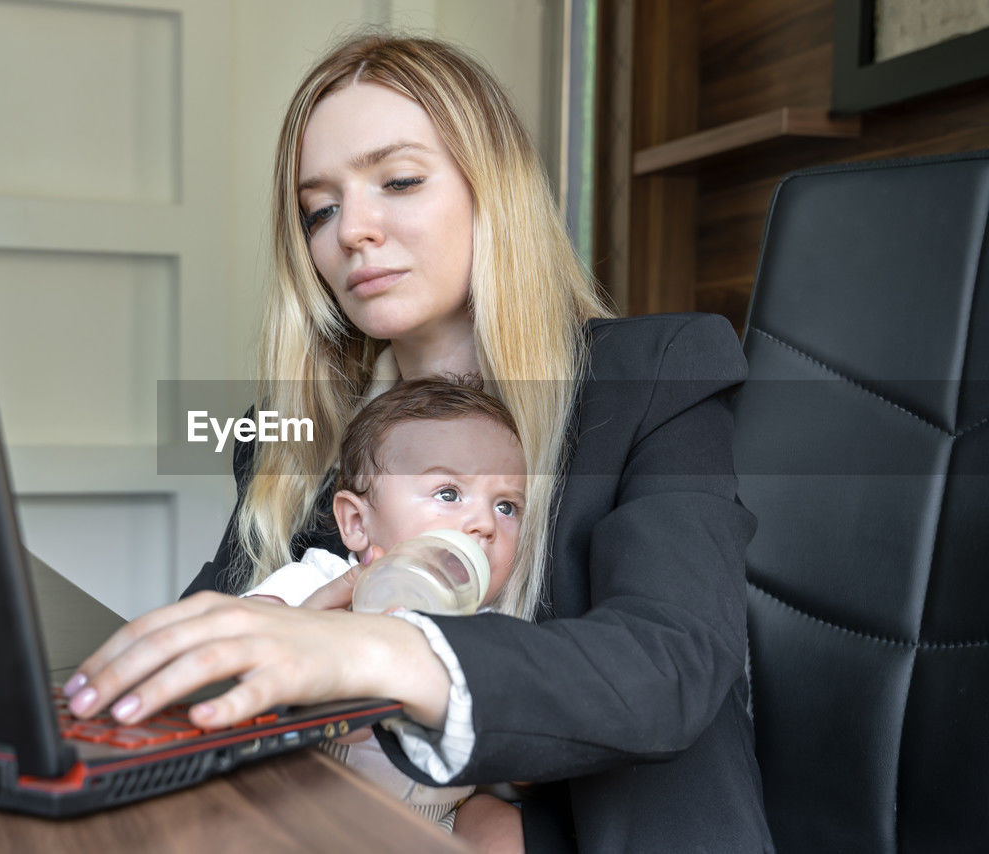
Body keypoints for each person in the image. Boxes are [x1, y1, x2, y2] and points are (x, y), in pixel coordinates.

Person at [64, 33, 774, 852]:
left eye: (398, 181)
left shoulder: (660, 374)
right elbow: (219, 644)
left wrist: (381, 651)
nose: (351, 232)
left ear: (492, 189)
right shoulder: (290, 431)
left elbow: (672, 664)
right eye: (318, 209)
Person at [245, 377, 528, 839]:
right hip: (310, 814)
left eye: (506, 506)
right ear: (357, 522)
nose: (483, 524)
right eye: (449, 493)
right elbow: (237, 644)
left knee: (502, 824)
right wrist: (297, 633)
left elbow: (529, 760)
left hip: (438, 825)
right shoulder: (320, 581)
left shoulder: (496, 630)